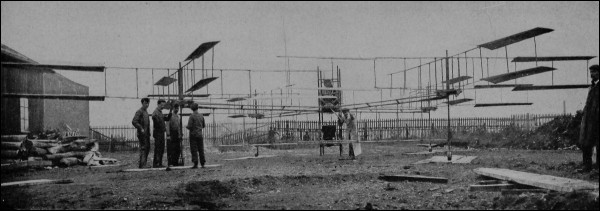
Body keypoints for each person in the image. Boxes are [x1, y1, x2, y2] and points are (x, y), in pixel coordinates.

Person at [577, 64, 599, 173]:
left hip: (597, 119)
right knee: (586, 142)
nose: (592, 74)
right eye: (591, 72)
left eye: (594, 72)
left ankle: (597, 167)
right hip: (589, 119)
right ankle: (587, 166)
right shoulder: (591, 87)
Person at [132, 98, 150, 168]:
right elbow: (134, 121)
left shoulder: (146, 112)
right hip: (142, 134)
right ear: (142, 103)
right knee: (143, 148)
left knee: (147, 148)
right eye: (145, 103)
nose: (147, 105)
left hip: (147, 134)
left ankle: (143, 164)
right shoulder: (139, 112)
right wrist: (141, 128)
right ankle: (142, 165)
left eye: (148, 103)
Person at [186, 103, 206, 169]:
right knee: (201, 149)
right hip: (200, 135)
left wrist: (187, 127)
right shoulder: (201, 115)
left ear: (192, 109)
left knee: (194, 149)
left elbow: (189, 126)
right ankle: (202, 163)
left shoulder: (191, 116)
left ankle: (195, 163)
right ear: (197, 108)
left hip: (193, 135)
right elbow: (203, 126)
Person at [152, 99, 168, 168]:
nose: (163, 106)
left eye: (164, 105)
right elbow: (157, 122)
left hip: (161, 133)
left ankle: (160, 163)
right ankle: (156, 164)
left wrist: (170, 113)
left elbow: (166, 119)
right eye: (162, 105)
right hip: (158, 133)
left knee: (161, 148)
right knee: (158, 148)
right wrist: (162, 127)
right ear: (158, 104)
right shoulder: (155, 113)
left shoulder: (160, 112)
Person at [166, 103, 182, 169]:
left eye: (178, 108)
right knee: (172, 149)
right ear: (173, 108)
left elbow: (179, 127)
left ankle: (176, 162)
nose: (177, 109)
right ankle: (171, 162)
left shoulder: (178, 117)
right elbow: (167, 125)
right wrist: (168, 134)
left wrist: (180, 134)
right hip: (172, 134)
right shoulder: (170, 115)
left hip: (177, 134)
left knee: (178, 149)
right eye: (176, 108)